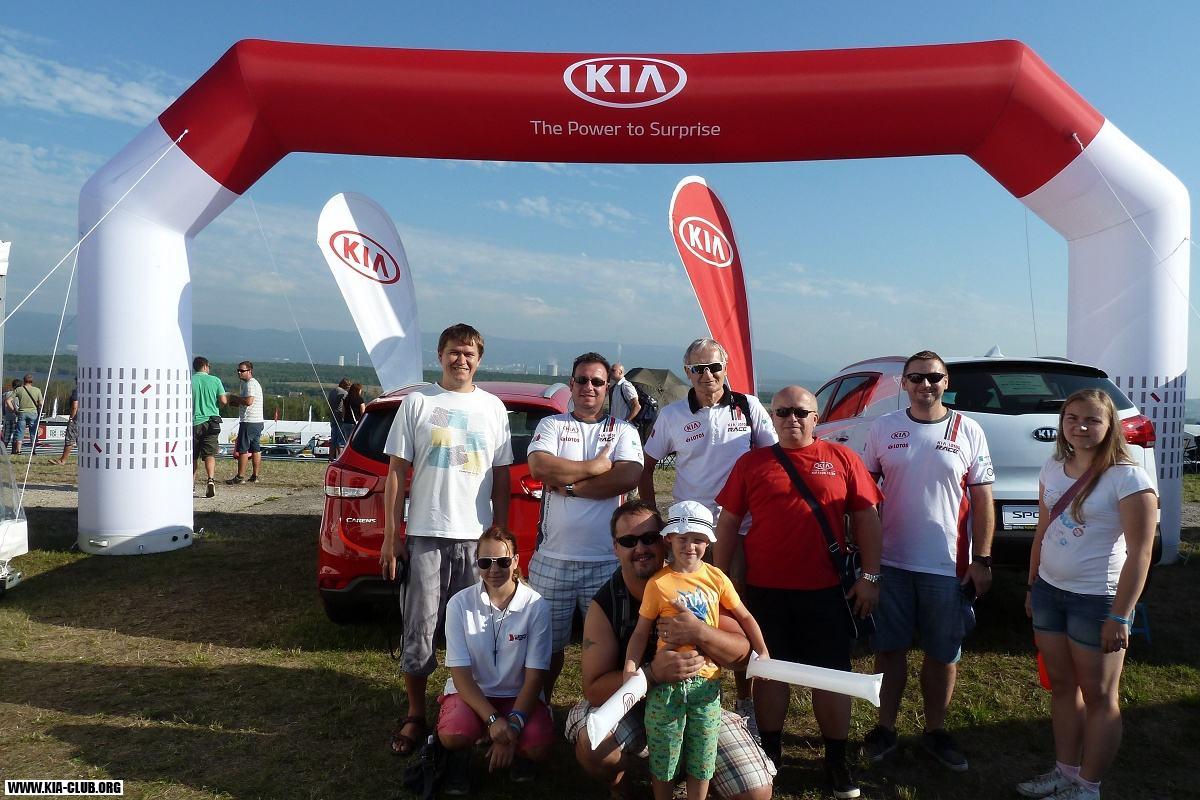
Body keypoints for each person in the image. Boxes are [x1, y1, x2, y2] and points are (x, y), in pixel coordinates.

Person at [714, 385, 882, 800]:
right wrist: (720, 580)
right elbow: (729, 522)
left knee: (832, 676)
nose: (792, 418)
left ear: (816, 417)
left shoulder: (842, 458)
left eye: (801, 412)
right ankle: (770, 753)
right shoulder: (752, 463)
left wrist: (870, 576)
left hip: (827, 591)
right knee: (770, 672)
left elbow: (867, 517)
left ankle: (836, 760)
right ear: (772, 418)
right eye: (783, 412)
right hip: (766, 591)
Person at [568, 500, 775, 800]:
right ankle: (623, 790)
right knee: (594, 745)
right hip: (631, 707)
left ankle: (688, 766)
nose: (640, 548)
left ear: (664, 540)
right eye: (628, 541)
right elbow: (593, 689)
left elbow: (742, 654)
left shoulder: (699, 582)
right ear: (615, 548)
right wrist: (651, 674)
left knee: (755, 792)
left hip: (699, 697)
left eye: (649, 538)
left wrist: (699, 631)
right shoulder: (605, 604)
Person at [380, 323, 513, 757]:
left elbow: (501, 478)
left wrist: (501, 538)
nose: (461, 360)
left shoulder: (493, 408)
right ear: (440, 356)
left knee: (476, 632)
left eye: (469, 353)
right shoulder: (417, 402)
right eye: (454, 352)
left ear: (479, 359)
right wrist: (391, 536)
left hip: (478, 543)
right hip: (426, 535)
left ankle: (471, 710)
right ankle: (416, 713)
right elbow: (396, 473)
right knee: (419, 629)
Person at [1016, 389, 1156, 800]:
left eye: (1092, 420)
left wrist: (1121, 615)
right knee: (1062, 686)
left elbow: (1141, 553)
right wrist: (1032, 586)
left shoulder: (1128, 478)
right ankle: (1065, 771)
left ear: (1110, 425)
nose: (1080, 427)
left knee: (1099, 696)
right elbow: (1042, 531)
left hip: (1097, 601)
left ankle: (1088, 786)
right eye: (1072, 418)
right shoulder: (1053, 466)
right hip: (1049, 592)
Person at [860, 350, 995, 771]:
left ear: (945, 382)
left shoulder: (968, 429)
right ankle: (885, 728)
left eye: (933, 377)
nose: (925, 385)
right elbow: (864, 500)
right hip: (892, 562)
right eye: (916, 377)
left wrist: (983, 559)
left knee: (942, 654)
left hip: (948, 566)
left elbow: (983, 499)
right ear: (903, 383)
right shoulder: (883, 428)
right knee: (889, 650)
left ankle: (935, 731)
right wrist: (867, 564)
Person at [637, 337, 777, 731]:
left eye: (714, 367)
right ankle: (685, 693)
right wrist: (654, 516)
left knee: (735, 613)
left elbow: (771, 460)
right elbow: (646, 465)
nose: (707, 375)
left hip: (738, 529)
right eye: (698, 369)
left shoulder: (749, 407)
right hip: (688, 535)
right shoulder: (673, 414)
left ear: (725, 368)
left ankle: (744, 701)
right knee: (683, 612)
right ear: (687, 373)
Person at [526, 351, 643, 701]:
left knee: (609, 647)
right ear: (571, 384)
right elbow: (540, 467)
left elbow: (628, 476)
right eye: (581, 380)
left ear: (607, 387)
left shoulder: (623, 429)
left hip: (606, 562)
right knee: (545, 648)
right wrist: (594, 468)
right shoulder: (552, 425)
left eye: (597, 381)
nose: (588, 387)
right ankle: (541, 708)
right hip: (552, 559)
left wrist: (572, 486)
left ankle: (607, 711)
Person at [437, 526, 553, 794]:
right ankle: (460, 758)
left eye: (502, 561)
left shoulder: (536, 606)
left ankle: (520, 754)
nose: (494, 569)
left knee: (538, 745)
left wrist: (512, 725)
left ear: (516, 561)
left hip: (518, 695)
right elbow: (461, 675)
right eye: (485, 562)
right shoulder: (458, 604)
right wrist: (493, 720)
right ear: (476, 562)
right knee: (453, 734)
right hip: (472, 694)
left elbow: (535, 677)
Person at [190, 357, 228, 498]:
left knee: (192, 456)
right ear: (205, 366)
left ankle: (191, 485)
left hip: (193, 422)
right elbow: (223, 400)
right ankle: (210, 480)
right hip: (211, 421)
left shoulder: (189, 380)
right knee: (209, 454)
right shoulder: (215, 380)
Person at [225, 361, 264, 484]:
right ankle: (255, 476)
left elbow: (248, 402)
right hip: (257, 421)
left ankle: (240, 477)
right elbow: (246, 403)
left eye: (242, 371)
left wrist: (233, 397)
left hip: (249, 421)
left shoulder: (250, 384)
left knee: (243, 449)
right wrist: (234, 403)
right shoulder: (254, 383)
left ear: (249, 371)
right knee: (255, 449)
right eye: (238, 370)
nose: (239, 373)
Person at [11, 373, 43, 456]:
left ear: (24, 381)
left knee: (20, 431)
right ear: (32, 381)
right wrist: (39, 408)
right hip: (33, 413)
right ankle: (33, 450)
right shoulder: (37, 390)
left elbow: (8, 400)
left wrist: (14, 410)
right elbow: (41, 403)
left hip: (22, 412)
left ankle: (18, 450)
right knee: (33, 432)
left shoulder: (19, 390)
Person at [48, 383, 79, 465]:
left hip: (76, 419)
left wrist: (71, 418)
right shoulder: (90, 391)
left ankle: (63, 460)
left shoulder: (77, 391)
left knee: (70, 439)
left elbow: (75, 406)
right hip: (87, 419)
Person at [327, 377, 350, 459]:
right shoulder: (344, 393)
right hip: (340, 417)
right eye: (348, 386)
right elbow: (346, 405)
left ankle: (331, 457)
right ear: (345, 385)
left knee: (333, 438)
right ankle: (340, 457)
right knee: (340, 440)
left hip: (332, 416)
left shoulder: (332, 391)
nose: (348, 388)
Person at [3, 379, 18, 450]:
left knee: (6, 436)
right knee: (16, 436)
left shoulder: (6, 394)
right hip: (16, 417)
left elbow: (3, 404)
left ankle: (3, 451)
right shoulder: (18, 395)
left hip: (7, 417)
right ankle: (14, 451)